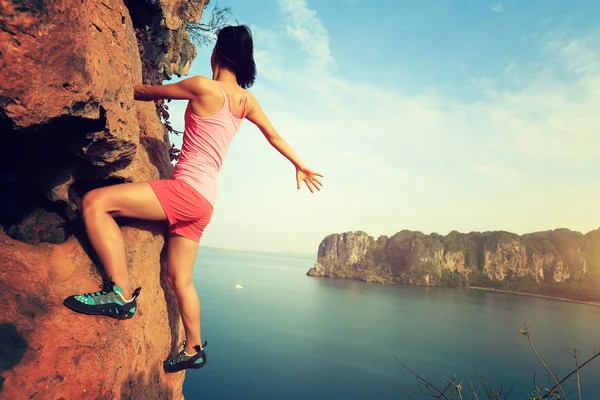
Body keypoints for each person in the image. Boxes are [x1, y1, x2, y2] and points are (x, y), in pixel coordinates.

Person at [63, 25, 324, 373]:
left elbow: (145, 91)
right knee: (179, 280)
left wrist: (109, 80)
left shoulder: (203, 86)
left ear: (221, 54)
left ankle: (120, 293)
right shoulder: (246, 102)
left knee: (95, 203)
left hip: (186, 192)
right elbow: (273, 136)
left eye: (215, 46)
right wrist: (300, 165)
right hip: (206, 203)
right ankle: (193, 349)